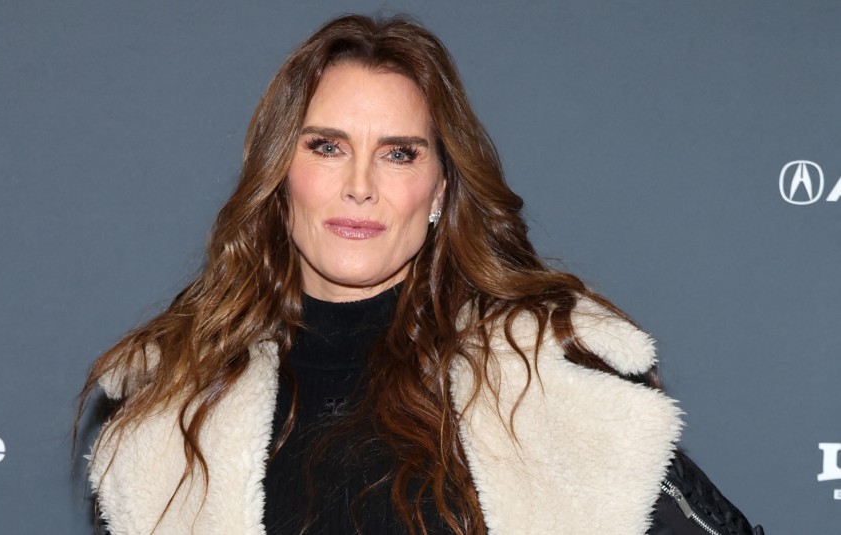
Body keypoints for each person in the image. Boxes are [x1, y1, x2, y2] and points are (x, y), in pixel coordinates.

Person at [78, 14, 763, 535]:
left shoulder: (547, 377)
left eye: (398, 153)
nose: (359, 186)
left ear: (438, 191)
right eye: (327, 147)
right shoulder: (174, 410)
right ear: (280, 177)